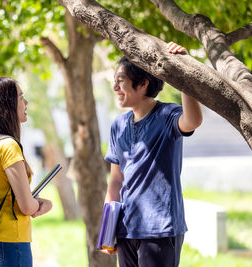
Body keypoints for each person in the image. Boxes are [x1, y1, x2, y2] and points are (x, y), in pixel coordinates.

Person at [101, 42, 203, 267]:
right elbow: (116, 180)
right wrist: (108, 229)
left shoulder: (168, 115)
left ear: (143, 84)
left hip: (160, 230)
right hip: (126, 229)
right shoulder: (118, 125)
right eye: (114, 82)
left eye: (121, 81)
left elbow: (193, 121)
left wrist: (184, 71)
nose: (115, 88)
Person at [0, 77, 52, 267]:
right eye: (21, 97)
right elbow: (27, 207)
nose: (26, 103)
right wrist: (45, 204)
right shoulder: (8, 147)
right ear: (6, 105)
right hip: (11, 243)